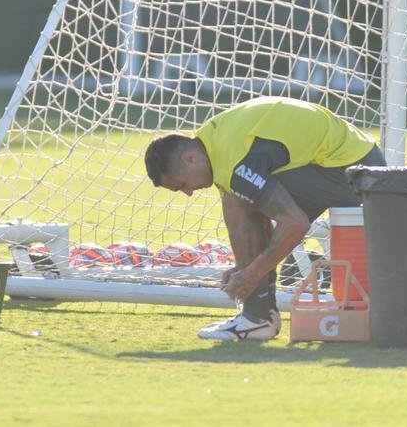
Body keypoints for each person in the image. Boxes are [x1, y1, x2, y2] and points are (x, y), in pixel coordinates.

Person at [145, 95, 384, 340]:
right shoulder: (213, 142)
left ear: (189, 159)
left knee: (240, 197)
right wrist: (243, 265)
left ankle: (257, 319)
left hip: (356, 174)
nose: (188, 192)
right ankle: (258, 316)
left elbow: (295, 223)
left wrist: (252, 273)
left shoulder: (235, 163)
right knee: (236, 194)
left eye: (181, 185)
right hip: (354, 162)